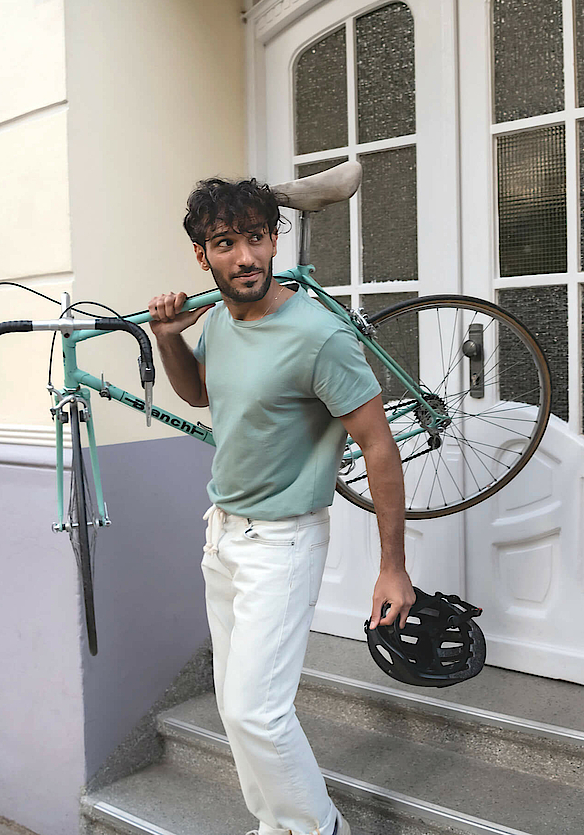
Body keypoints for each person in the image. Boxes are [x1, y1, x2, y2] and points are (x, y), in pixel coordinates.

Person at [147, 177, 415, 835]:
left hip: (284, 541)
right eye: (225, 243)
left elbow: (379, 446)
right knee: (236, 708)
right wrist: (167, 337)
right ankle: (276, 824)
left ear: (274, 239)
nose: (245, 257)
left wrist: (393, 566)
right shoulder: (218, 320)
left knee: (255, 711)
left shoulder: (317, 335)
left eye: (256, 238)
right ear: (202, 254)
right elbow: (203, 393)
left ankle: (320, 828)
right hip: (224, 535)